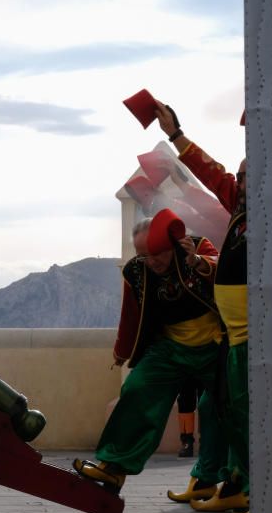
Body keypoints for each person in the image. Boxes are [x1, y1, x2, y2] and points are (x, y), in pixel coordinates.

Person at [73, 211, 228, 494]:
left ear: (170, 244)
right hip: (168, 348)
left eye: (156, 253)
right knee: (137, 387)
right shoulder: (135, 271)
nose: (151, 261)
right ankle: (113, 468)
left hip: (214, 345)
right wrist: (121, 351)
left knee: (217, 405)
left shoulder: (196, 247)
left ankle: (207, 479)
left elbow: (224, 270)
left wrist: (196, 261)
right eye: (144, 255)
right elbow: (130, 315)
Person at [157, 101, 251, 513]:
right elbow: (214, 174)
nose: (242, 181)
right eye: (243, 176)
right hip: (232, 335)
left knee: (245, 410)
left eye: (250, 175)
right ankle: (223, 479)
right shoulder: (242, 208)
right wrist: (176, 134)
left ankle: (250, 488)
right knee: (221, 407)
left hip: (255, 336)